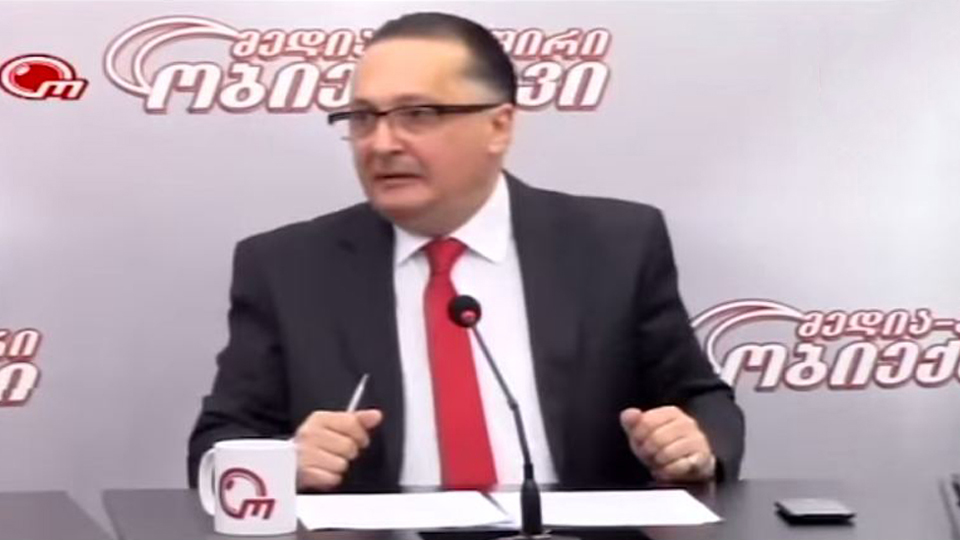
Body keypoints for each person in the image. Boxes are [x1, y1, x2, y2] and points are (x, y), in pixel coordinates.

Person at [188, 12, 744, 492]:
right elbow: (217, 443)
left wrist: (694, 445)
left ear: (498, 125)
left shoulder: (615, 245)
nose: (382, 143)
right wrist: (282, 461)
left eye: (417, 115)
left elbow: (701, 399)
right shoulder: (288, 267)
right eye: (362, 118)